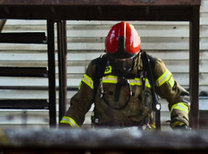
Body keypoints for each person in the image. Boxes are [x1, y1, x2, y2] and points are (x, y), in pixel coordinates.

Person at [60, 21, 190, 129]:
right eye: (116, 59)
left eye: (127, 60)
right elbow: (79, 106)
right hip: (105, 141)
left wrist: (180, 122)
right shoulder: (97, 68)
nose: (121, 64)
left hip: (142, 140)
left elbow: (179, 98)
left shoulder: (151, 66)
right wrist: (65, 129)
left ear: (137, 54)